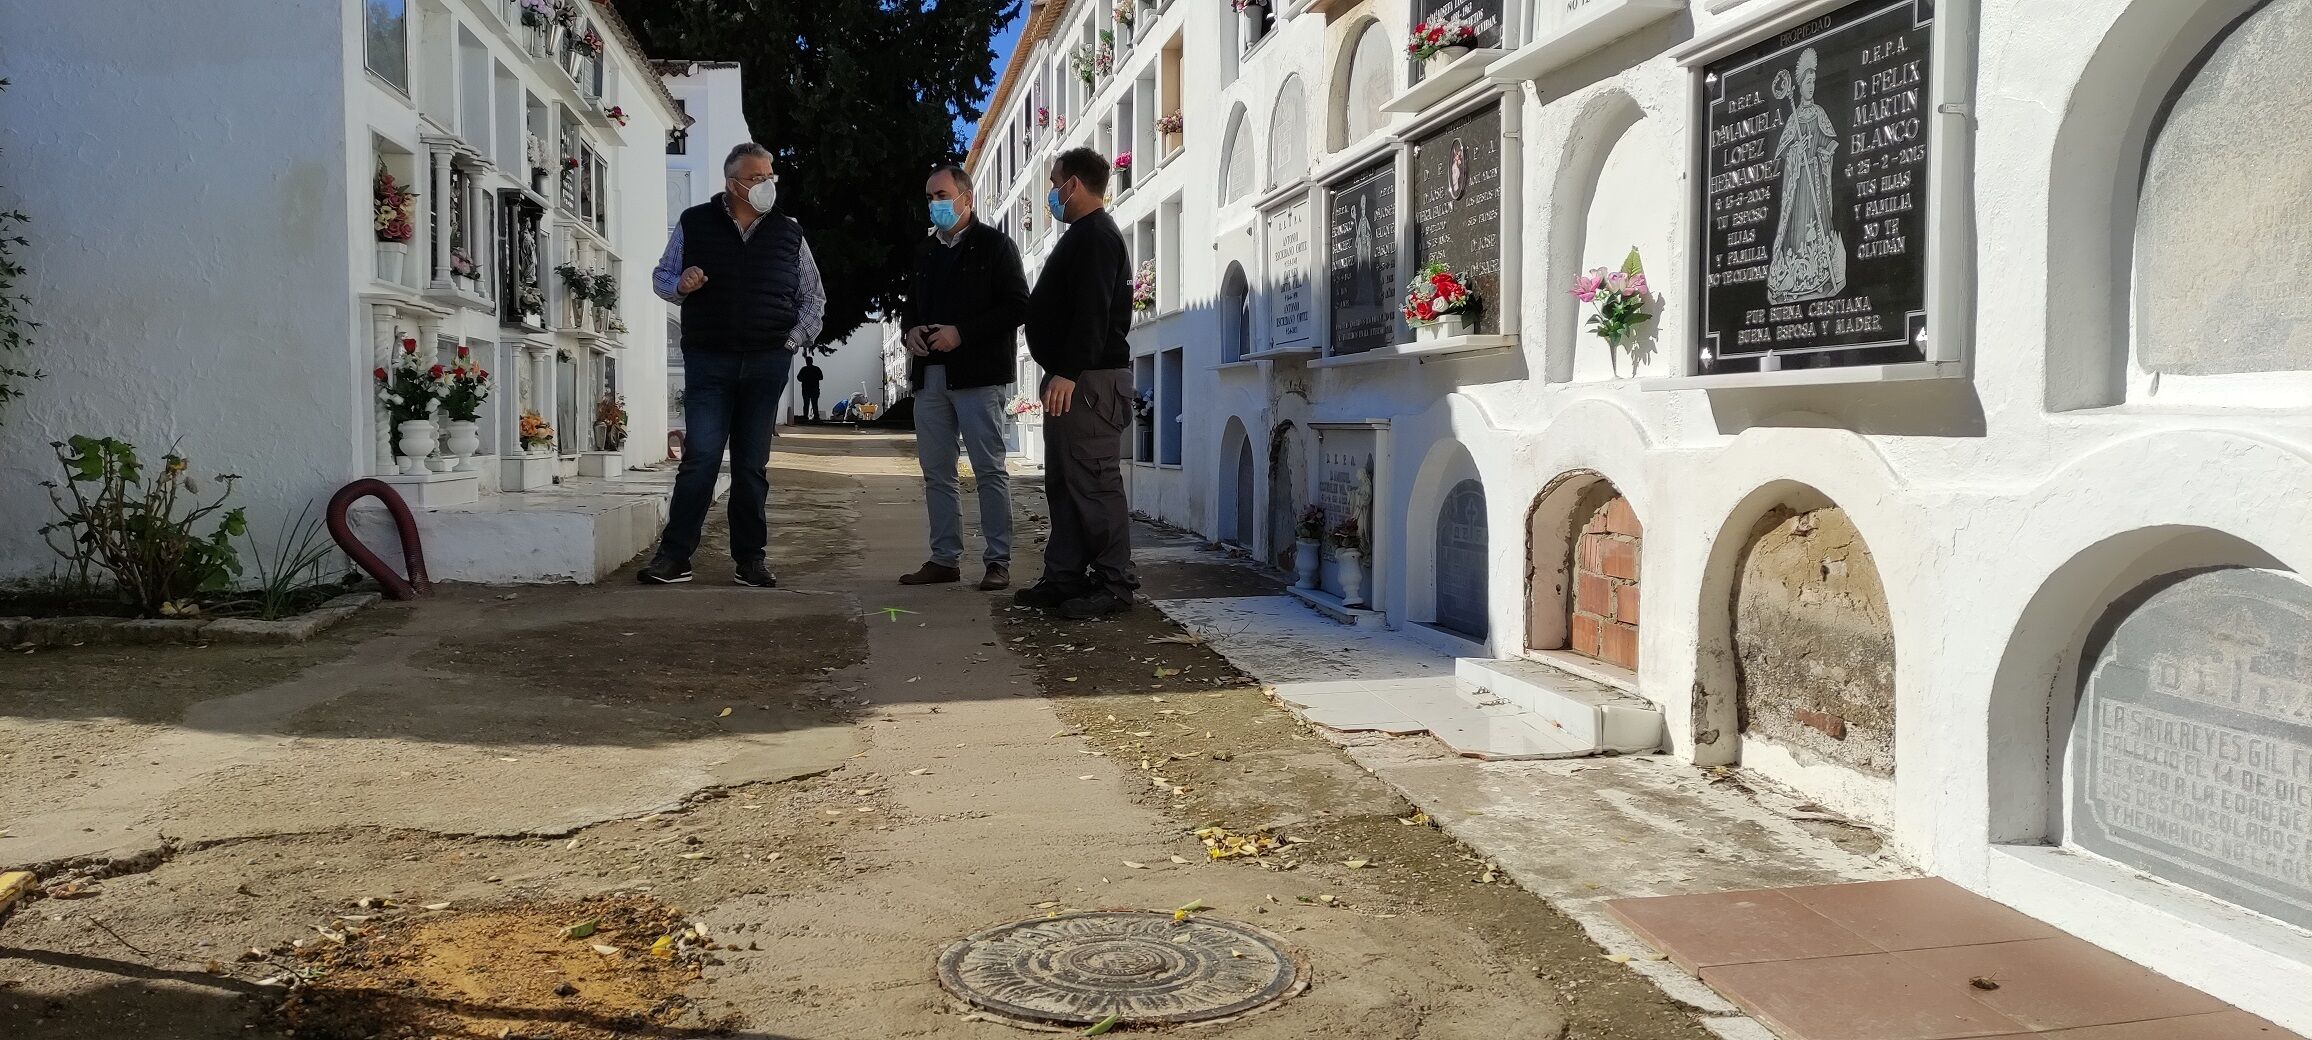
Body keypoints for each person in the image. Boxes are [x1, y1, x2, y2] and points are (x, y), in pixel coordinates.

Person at [638, 142, 824, 587]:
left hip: (766, 363)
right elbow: (662, 277)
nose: (766, 185)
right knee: (700, 458)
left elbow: (814, 299)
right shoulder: (695, 222)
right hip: (709, 360)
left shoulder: (789, 233)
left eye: (770, 176)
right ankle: (674, 556)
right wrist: (682, 285)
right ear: (733, 183)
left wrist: (790, 342)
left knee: (751, 465)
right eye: (757, 178)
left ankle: (750, 559)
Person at [1015, 148, 1137, 620]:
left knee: (1095, 482)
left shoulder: (1097, 236)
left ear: (1075, 185)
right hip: (1074, 379)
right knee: (1065, 483)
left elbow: (1093, 311)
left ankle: (1114, 584)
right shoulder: (1083, 235)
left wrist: (1068, 371)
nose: (1051, 192)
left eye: (1055, 183)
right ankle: (1064, 575)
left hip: (1088, 380)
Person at [898, 164, 1029, 592]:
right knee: (937, 472)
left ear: (966, 198)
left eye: (941, 195)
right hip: (930, 378)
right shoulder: (925, 251)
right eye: (929, 197)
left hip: (978, 376)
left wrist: (962, 333)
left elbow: (1017, 305)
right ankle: (944, 559)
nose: (934, 204)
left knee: (988, 469)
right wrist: (910, 331)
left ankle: (997, 562)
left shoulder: (996, 246)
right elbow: (911, 306)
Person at [798, 357, 825, 422]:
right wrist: (814, 378)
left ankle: (805, 416)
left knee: (806, 404)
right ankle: (816, 417)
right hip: (814, 389)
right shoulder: (816, 369)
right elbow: (821, 377)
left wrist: (805, 379)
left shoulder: (804, 369)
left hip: (806, 389)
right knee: (814, 403)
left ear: (806, 362)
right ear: (812, 361)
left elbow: (799, 378)